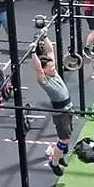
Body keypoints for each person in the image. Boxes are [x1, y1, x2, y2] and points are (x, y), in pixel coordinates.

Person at [32, 34, 73, 177]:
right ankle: (54, 163)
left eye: (52, 65)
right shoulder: (44, 80)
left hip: (68, 109)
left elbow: (50, 52)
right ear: (44, 70)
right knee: (64, 139)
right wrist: (32, 53)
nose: (53, 67)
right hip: (61, 114)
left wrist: (45, 37)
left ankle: (59, 155)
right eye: (50, 66)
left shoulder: (53, 72)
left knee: (66, 137)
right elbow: (37, 69)